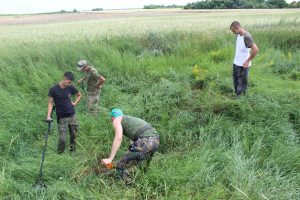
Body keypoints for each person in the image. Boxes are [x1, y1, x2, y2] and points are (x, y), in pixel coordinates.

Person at [101, 108, 160, 183]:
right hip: (155, 140)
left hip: (146, 141)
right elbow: (134, 139)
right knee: (141, 165)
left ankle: (129, 186)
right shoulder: (130, 120)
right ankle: (142, 183)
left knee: (121, 164)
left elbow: (118, 137)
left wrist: (110, 159)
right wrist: (131, 154)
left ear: (112, 118)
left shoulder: (116, 119)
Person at [47, 71, 81, 153]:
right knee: (62, 139)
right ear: (64, 79)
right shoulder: (53, 89)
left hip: (72, 116)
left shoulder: (70, 87)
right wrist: (48, 116)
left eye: (71, 82)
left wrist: (75, 103)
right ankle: (60, 154)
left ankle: (72, 152)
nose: (70, 84)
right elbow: (50, 103)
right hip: (61, 117)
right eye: (69, 82)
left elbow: (79, 95)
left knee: (74, 135)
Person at [230, 21, 259, 97]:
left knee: (242, 83)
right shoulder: (239, 35)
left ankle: (241, 100)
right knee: (235, 81)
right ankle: (237, 96)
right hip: (236, 63)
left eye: (233, 31)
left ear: (238, 28)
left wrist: (247, 61)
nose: (233, 33)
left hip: (243, 65)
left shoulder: (247, 36)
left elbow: (255, 49)